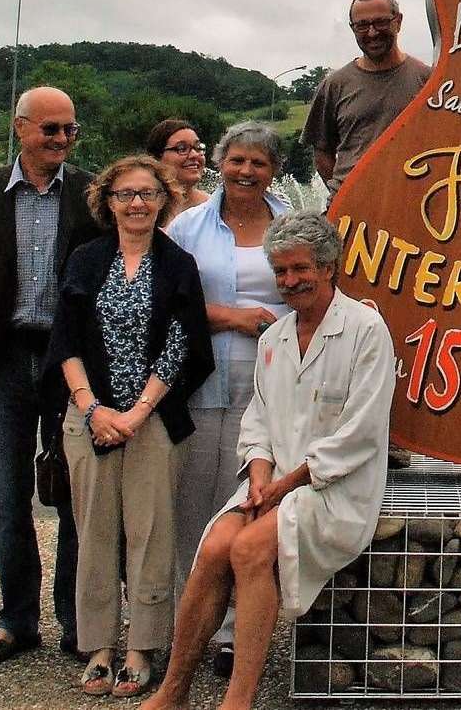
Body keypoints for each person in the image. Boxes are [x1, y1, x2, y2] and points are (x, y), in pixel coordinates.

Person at [144, 209, 396, 710]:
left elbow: (360, 435)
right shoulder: (275, 337)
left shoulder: (366, 330)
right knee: (215, 546)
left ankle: (238, 700)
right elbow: (257, 420)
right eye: (280, 271)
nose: (290, 281)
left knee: (249, 549)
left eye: (300, 269)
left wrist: (283, 488)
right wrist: (260, 477)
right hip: (275, 483)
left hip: (336, 490)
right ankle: (173, 689)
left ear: (328, 267)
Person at [0, 85, 106, 666]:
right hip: (1, 363)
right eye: (50, 129)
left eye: (69, 130)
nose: (61, 139)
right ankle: (16, 620)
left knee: (73, 499)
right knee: (5, 501)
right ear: (21, 129)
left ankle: (74, 622)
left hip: (70, 365)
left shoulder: (90, 196)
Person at [46, 155, 213, 697]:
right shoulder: (86, 259)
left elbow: (183, 343)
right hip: (88, 416)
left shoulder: (178, 263)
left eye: (147, 193)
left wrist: (138, 412)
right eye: (125, 194)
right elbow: (66, 339)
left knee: (151, 533)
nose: (136, 203)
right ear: (107, 202)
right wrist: (93, 409)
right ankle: (97, 645)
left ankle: (142, 646)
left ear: (164, 199)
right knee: (92, 532)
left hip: (155, 419)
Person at [164, 121, 291, 677]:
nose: (246, 172)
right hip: (201, 384)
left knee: (252, 507)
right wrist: (230, 317)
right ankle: (188, 628)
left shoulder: (295, 224)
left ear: (275, 170)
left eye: (258, 163)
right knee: (193, 508)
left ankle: (239, 633)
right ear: (221, 163)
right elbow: (164, 298)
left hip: (273, 391)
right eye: (237, 160)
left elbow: (316, 287)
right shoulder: (188, 227)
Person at [300, 0, 431, 194]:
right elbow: (321, 152)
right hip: (351, 212)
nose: (372, 33)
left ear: (398, 21)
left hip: (412, 202)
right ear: (353, 29)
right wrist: (345, 193)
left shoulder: (428, 80)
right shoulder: (334, 85)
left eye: (380, 22)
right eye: (362, 25)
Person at [145, 118, 211, 213]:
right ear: (156, 158)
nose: (194, 155)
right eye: (182, 149)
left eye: (198, 148)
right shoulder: (142, 207)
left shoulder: (213, 208)